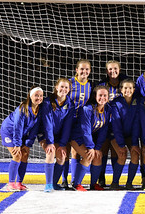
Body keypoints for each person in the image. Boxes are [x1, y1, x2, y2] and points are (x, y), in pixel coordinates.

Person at [0, 86, 44, 191]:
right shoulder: (23, 108)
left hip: (21, 134)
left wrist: (28, 144)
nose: (39, 98)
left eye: (41, 95)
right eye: (36, 95)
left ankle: (19, 183)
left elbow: (35, 129)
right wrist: (17, 144)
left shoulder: (39, 110)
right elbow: (17, 127)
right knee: (17, 155)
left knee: (25, 154)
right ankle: (11, 184)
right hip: (9, 132)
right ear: (30, 96)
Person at [69, 85, 111, 191]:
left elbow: (103, 130)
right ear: (95, 96)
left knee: (98, 155)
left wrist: (97, 147)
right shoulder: (88, 109)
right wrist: (91, 147)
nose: (102, 98)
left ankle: (93, 184)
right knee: (88, 156)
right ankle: (76, 184)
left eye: (105, 95)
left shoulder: (108, 109)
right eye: (100, 95)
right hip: (76, 136)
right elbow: (85, 130)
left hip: (88, 139)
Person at [61, 59, 93, 189]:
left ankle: (75, 181)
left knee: (76, 152)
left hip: (80, 123)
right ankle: (64, 180)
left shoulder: (90, 85)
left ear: (90, 71)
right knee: (65, 151)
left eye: (87, 69)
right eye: (82, 69)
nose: (84, 71)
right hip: (66, 121)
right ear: (76, 70)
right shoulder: (69, 83)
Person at [39, 78, 74, 192]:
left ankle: (54, 183)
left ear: (69, 90)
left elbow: (68, 126)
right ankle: (48, 185)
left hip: (58, 135)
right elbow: (47, 124)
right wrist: (49, 142)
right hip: (45, 134)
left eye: (66, 87)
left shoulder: (70, 104)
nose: (63, 89)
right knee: (51, 152)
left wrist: (63, 144)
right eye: (61, 87)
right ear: (56, 87)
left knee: (62, 155)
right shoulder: (48, 102)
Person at [96, 60, 128, 187]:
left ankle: (116, 180)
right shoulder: (102, 84)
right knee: (103, 149)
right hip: (103, 123)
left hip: (118, 123)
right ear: (106, 71)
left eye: (115, 69)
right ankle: (101, 178)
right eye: (110, 69)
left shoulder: (125, 83)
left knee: (116, 151)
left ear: (119, 70)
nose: (113, 71)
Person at [110, 79, 141, 190]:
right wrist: (121, 144)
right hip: (116, 135)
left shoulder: (137, 102)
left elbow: (136, 124)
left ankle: (129, 183)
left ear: (134, 89)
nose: (128, 90)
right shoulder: (115, 103)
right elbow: (116, 125)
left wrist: (134, 143)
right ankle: (114, 183)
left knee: (135, 154)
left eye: (130, 88)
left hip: (130, 135)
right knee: (122, 155)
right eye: (125, 88)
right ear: (121, 90)